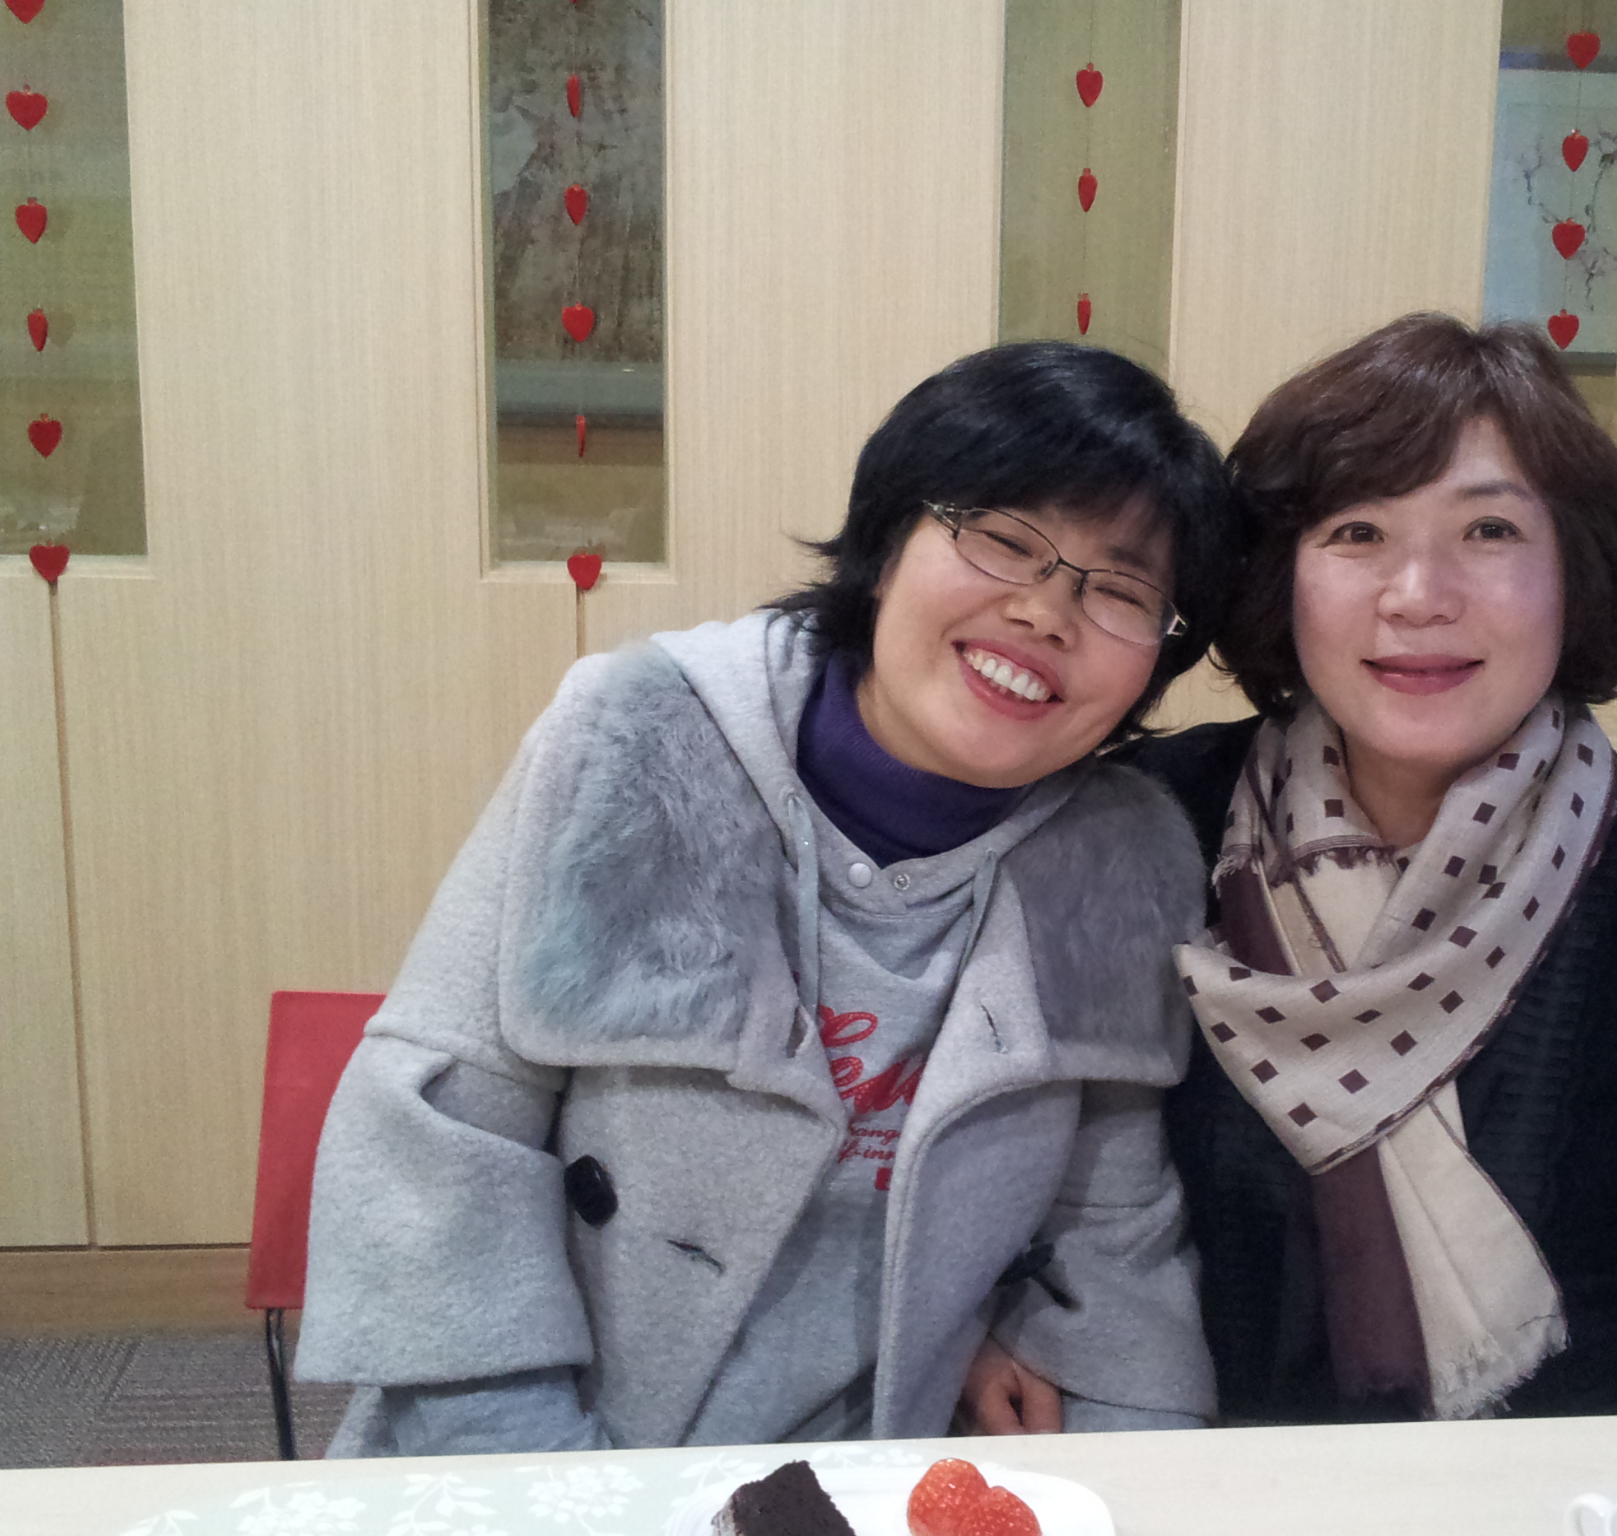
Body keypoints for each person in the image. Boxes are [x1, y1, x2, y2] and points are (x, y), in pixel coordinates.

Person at [295, 340, 1241, 1454]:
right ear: (887, 542)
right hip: (544, 1448)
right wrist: (552, 1491)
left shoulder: (1118, 862)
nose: (1045, 612)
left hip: (877, 1475)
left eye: (1120, 590)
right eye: (1002, 538)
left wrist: (1132, 1476)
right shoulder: (641, 741)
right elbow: (439, 1139)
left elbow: (1112, 1236)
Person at [1120, 313, 1617, 1424]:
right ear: (1277, 573)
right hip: (1184, 1474)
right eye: (1356, 532)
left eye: (1489, 530)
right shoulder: (1151, 825)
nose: (1418, 593)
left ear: (1575, 570)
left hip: (1565, 1495)